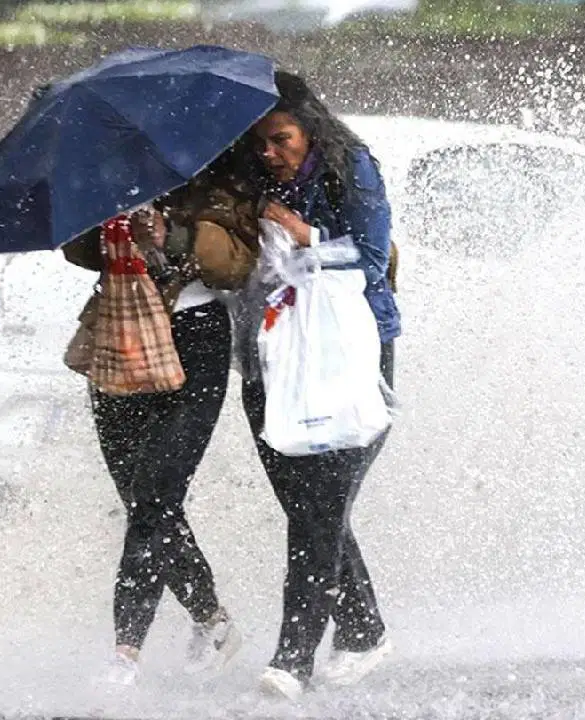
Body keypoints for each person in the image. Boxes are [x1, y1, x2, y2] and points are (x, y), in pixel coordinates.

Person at [61, 166, 261, 685]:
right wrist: (101, 220)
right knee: (141, 500)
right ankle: (213, 620)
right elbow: (77, 251)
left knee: (154, 494)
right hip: (121, 329)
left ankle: (125, 651)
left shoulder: (220, 171)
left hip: (197, 339)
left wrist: (168, 235)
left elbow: (239, 263)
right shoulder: (108, 172)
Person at [237, 70, 401, 700]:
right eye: (260, 145)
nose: (271, 155)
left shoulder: (349, 167)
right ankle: (362, 631)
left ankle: (292, 658)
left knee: (320, 508)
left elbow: (372, 251)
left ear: (311, 130)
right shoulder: (248, 183)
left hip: (348, 352)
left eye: (281, 140)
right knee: (307, 506)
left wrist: (305, 237)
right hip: (272, 355)